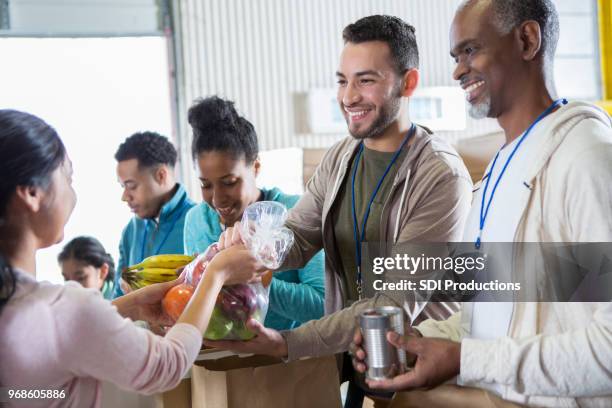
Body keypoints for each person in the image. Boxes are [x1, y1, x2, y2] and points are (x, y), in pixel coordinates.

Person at [351, 1, 612, 407]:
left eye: (471, 50)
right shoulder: (498, 170)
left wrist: (464, 359)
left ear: (527, 40)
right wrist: (419, 345)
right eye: (456, 57)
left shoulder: (585, 159)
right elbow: (493, 318)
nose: (457, 70)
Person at [208, 15, 473, 407]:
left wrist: (288, 343)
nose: (348, 96)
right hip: (358, 363)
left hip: (419, 377)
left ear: (408, 82)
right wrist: (249, 251)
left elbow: (392, 304)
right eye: (342, 80)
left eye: (365, 80)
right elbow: (296, 235)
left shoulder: (440, 176)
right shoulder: (341, 157)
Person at [0, 109, 261, 408]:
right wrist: (216, 274)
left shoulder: (21, 308)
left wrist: (129, 307)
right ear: (31, 193)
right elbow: (168, 364)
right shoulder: (63, 309)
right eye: (68, 178)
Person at [183, 96, 325, 330]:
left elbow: (322, 304)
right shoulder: (196, 221)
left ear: (256, 167)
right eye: (205, 185)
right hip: (219, 360)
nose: (217, 199)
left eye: (229, 182)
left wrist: (257, 277)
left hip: (285, 360)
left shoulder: (295, 213)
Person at [113, 132, 195, 297]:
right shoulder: (131, 230)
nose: (124, 197)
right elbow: (118, 295)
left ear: (161, 175)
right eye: (123, 187)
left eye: (131, 186)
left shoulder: (199, 221)